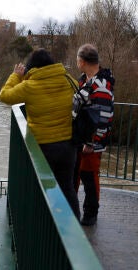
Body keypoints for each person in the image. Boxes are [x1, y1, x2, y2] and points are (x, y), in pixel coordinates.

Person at [0, 48, 81, 220]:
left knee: (41, 188)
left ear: (32, 67)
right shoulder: (68, 80)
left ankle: (45, 223)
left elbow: (4, 96)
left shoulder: (29, 86)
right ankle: (74, 225)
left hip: (43, 147)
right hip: (68, 145)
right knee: (66, 186)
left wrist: (16, 75)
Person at [73, 44, 114, 226]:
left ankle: (90, 214)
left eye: (77, 60)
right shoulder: (85, 80)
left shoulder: (102, 85)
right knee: (76, 173)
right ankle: (72, 209)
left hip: (91, 142)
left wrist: (92, 142)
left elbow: (103, 117)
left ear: (82, 62)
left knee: (89, 176)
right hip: (81, 139)